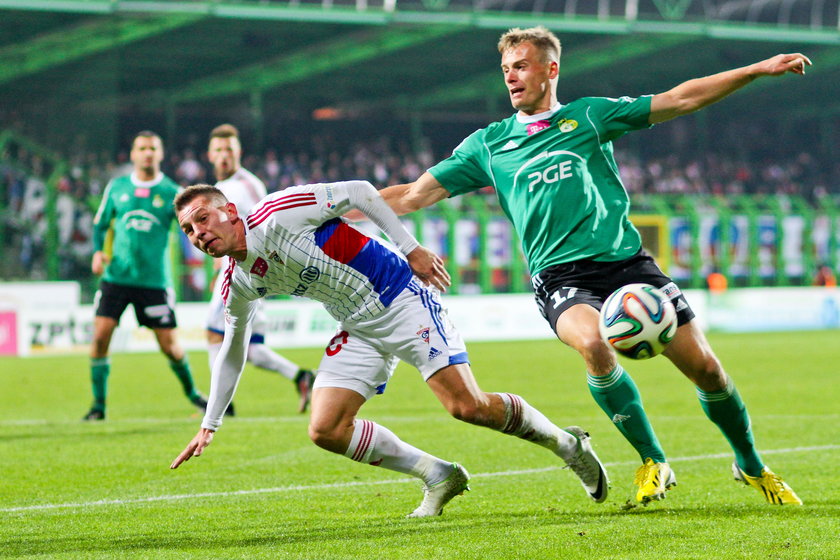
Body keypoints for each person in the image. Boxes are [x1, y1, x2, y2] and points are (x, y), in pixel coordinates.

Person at [375, 26, 807, 507]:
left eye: (520, 66)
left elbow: (679, 100)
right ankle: (652, 460)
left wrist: (755, 69)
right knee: (595, 343)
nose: (511, 78)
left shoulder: (590, 116)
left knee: (708, 370)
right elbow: (411, 195)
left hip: (630, 267)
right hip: (561, 278)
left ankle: (750, 464)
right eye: (505, 70)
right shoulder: (489, 145)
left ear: (550, 69)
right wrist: (329, 203)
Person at [169, 182, 609, 517]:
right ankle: (440, 475)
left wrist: (411, 249)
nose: (198, 233)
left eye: (203, 219)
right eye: (189, 229)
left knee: (466, 407)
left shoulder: (279, 213)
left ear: (230, 211)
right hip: (356, 326)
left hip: (401, 297)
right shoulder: (236, 281)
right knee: (325, 429)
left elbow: (361, 192)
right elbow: (233, 345)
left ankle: (567, 445)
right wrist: (211, 422)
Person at [84, 131, 205, 421]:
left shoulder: (172, 192)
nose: (147, 153)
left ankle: (194, 395)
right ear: (133, 154)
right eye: (142, 148)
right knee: (100, 337)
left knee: (170, 346)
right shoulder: (118, 187)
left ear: (160, 154)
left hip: (153, 283)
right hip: (116, 278)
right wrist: (98, 252)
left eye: (153, 148)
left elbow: (191, 227)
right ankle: (98, 406)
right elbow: (100, 225)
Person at [206, 124, 314, 413]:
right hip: (238, 268)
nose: (224, 155)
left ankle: (220, 405)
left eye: (229, 149)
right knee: (251, 347)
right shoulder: (221, 189)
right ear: (210, 155)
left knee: (214, 334)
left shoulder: (246, 185)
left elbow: (264, 225)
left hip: (246, 270)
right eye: (219, 150)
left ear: (239, 152)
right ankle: (301, 377)